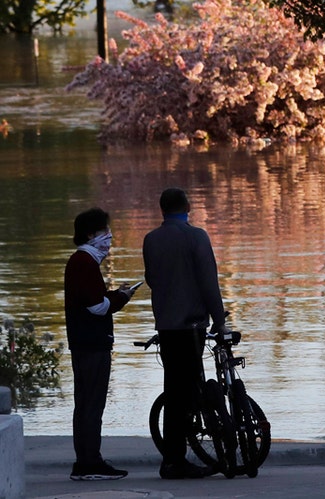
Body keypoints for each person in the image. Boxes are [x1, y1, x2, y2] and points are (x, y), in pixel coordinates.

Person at [142, 188, 226, 480]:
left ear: (162, 210)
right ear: (187, 206)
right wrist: (220, 321)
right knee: (185, 392)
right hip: (191, 327)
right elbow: (209, 282)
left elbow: (152, 279)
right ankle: (175, 461)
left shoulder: (151, 240)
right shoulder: (197, 237)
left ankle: (174, 455)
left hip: (166, 327)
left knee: (174, 390)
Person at [64, 207, 135, 481]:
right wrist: (122, 298)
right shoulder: (84, 262)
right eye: (105, 231)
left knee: (84, 404)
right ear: (91, 234)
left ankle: (85, 460)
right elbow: (96, 307)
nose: (109, 236)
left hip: (83, 343)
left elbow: (91, 299)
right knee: (92, 405)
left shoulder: (81, 262)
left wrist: (115, 295)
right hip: (92, 344)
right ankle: (90, 461)